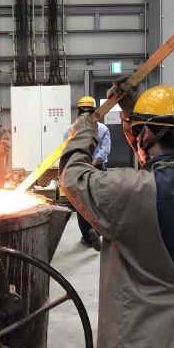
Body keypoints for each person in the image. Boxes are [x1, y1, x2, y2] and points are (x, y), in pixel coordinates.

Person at [59, 83, 174, 348]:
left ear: (147, 134)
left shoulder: (136, 192)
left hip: (152, 335)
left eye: (141, 131)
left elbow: (73, 177)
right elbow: (164, 160)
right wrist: (136, 113)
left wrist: (84, 133)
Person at [63, 96, 111, 251]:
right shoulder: (70, 131)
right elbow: (66, 150)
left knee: (97, 202)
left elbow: (105, 149)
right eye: (83, 111)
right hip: (82, 170)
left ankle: (96, 232)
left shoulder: (102, 129)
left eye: (88, 111)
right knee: (82, 204)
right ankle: (88, 236)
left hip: (94, 169)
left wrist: (90, 163)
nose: (85, 114)